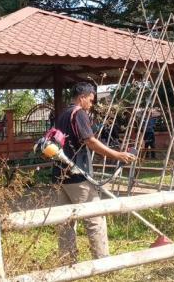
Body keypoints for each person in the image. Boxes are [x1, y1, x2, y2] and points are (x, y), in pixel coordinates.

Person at [53, 82, 136, 262]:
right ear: (82, 97)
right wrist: (117, 155)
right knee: (94, 217)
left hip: (60, 174)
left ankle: (67, 261)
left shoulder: (63, 114)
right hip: (77, 175)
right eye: (90, 100)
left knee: (66, 221)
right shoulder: (79, 113)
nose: (91, 104)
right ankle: (102, 260)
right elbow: (90, 141)